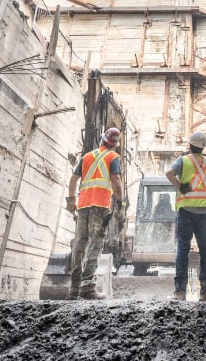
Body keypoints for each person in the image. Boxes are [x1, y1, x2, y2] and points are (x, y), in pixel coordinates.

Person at [166, 130, 206, 301]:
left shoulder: (183, 161)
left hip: (186, 211)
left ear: (190, 145)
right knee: (205, 250)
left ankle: (180, 292)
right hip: (203, 212)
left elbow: (168, 173)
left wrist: (180, 187)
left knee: (183, 249)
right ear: (203, 147)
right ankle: (205, 292)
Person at [65, 127, 124, 300]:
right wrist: (120, 203)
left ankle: (74, 288)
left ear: (102, 140)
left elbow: (73, 179)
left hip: (83, 205)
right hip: (100, 206)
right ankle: (87, 286)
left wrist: (71, 200)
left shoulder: (87, 156)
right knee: (95, 244)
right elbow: (116, 180)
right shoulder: (113, 157)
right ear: (114, 144)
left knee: (80, 243)